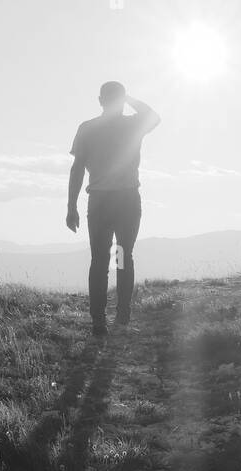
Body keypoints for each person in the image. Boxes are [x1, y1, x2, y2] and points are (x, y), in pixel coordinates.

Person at [67, 82, 161, 338]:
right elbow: (154, 117)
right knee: (122, 255)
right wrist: (128, 98)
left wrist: (71, 206)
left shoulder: (87, 129)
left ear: (99, 100)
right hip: (127, 199)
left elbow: (77, 169)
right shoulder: (133, 125)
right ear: (119, 99)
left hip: (99, 201)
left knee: (99, 261)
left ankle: (99, 322)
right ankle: (122, 316)